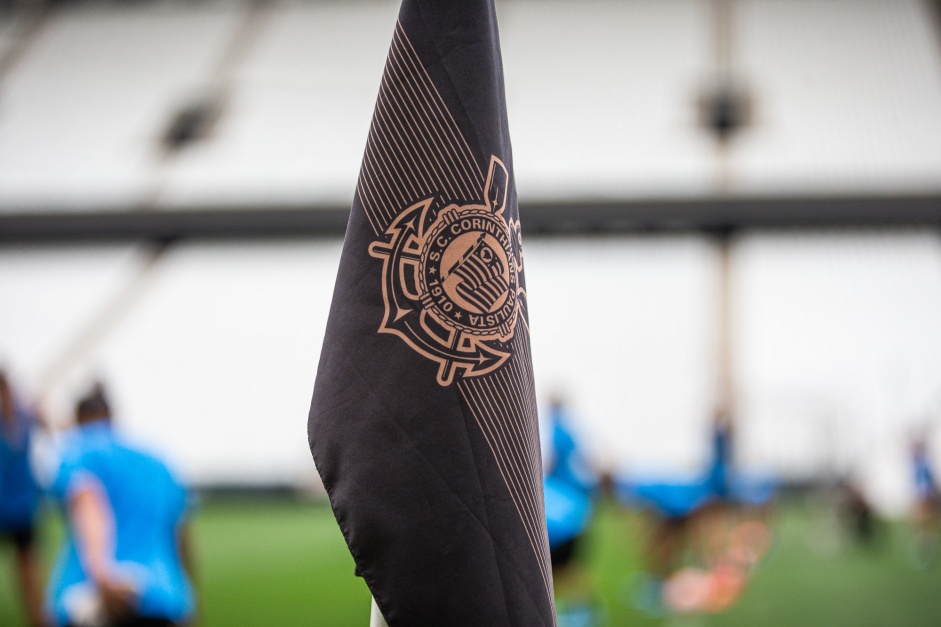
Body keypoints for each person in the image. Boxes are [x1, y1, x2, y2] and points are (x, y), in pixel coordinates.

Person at [46, 388, 197, 627]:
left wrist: (102, 574)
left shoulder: (78, 450)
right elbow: (180, 537)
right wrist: (187, 598)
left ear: (77, 419)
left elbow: (88, 500)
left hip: (94, 598)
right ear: (112, 415)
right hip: (161, 597)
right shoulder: (158, 458)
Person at [0, 370, 47, 627]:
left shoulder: (23, 416)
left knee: (28, 572)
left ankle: (38, 619)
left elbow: (48, 426)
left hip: (20, 508)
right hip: (11, 506)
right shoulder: (20, 417)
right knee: (28, 570)